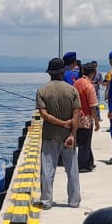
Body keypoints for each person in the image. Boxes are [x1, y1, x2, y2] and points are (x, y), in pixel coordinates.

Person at [35, 58, 81, 208]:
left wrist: (60, 123)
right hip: (69, 136)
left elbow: (44, 115)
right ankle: (74, 201)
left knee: (48, 171)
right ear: (63, 72)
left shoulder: (42, 91)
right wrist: (72, 133)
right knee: (72, 170)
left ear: (49, 73)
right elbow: (76, 115)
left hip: (50, 135)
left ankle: (47, 201)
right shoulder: (72, 90)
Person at [73, 63, 100, 173]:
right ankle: (83, 165)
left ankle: (89, 162)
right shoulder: (89, 86)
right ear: (93, 73)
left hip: (76, 116)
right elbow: (93, 106)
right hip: (86, 118)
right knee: (85, 142)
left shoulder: (76, 83)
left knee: (82, 140)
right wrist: (97, 121)